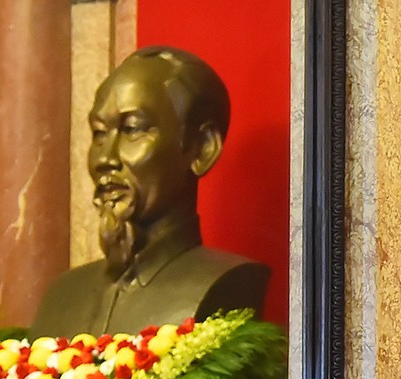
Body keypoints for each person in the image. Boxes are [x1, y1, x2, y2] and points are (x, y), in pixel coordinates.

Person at [31, 46, 270, 336]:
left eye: (132, 130)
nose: (106, 159)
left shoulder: (226, 283)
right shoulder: (62, 295)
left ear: (202, 148)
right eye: (99, 134)